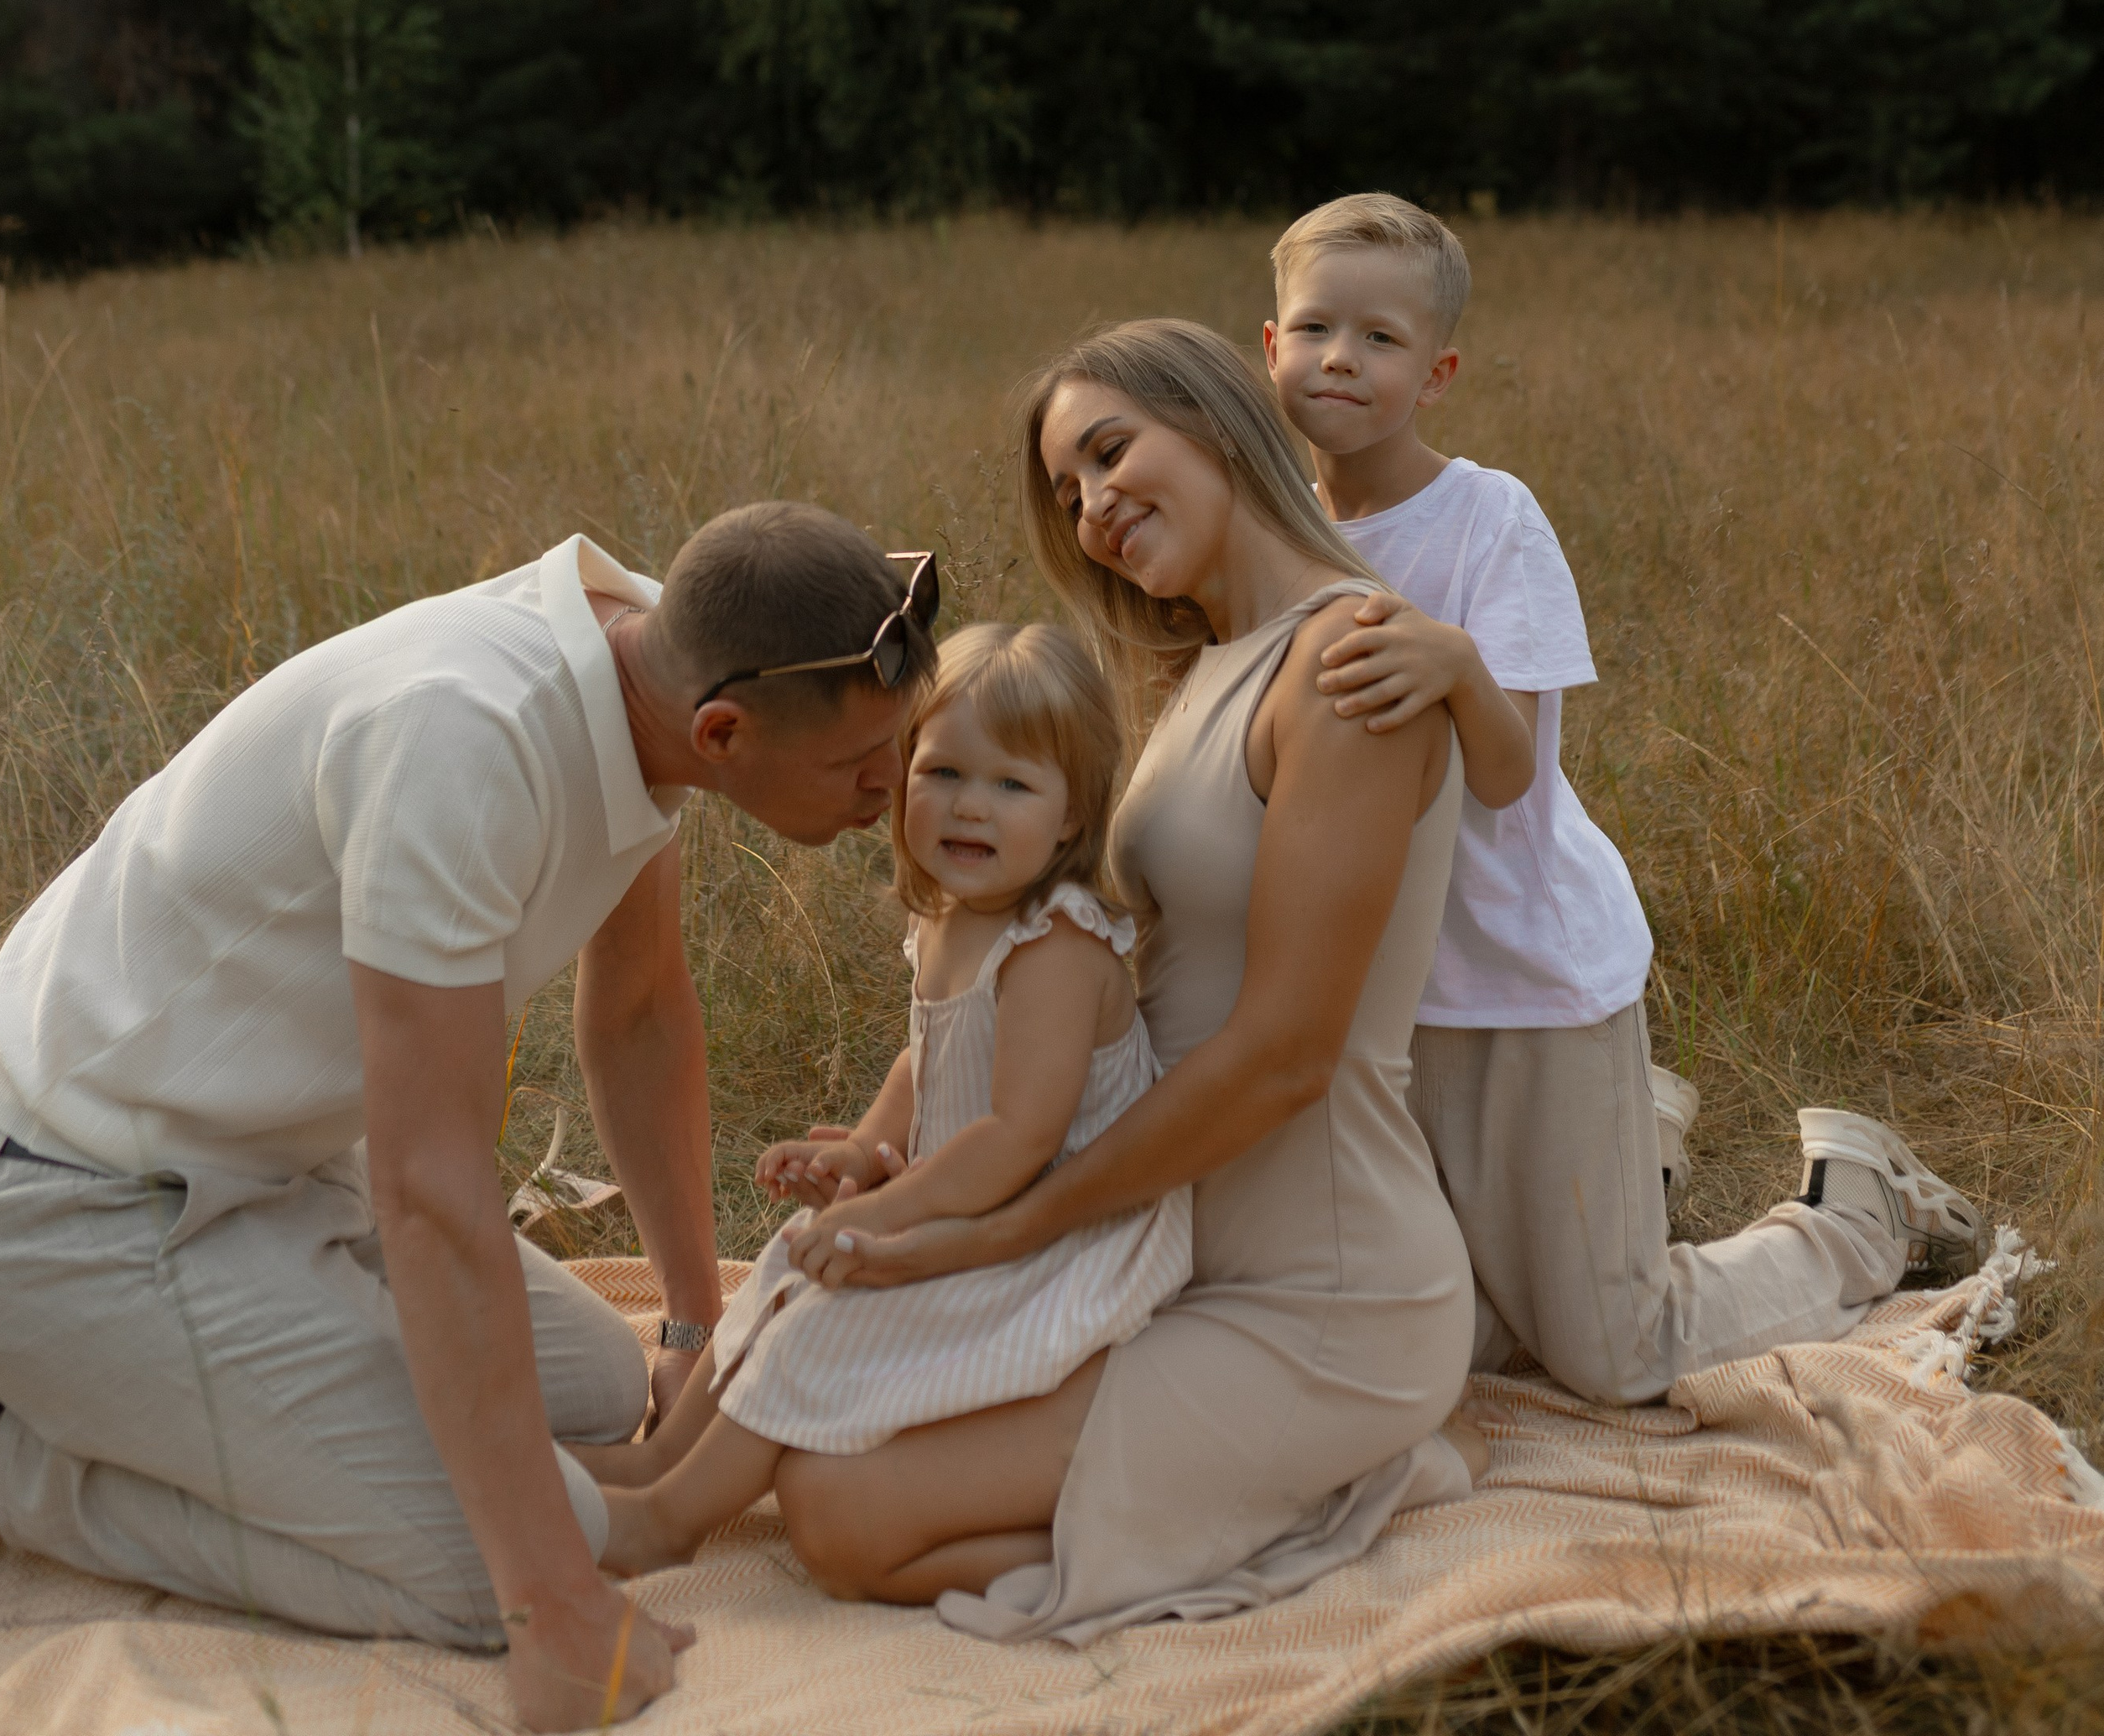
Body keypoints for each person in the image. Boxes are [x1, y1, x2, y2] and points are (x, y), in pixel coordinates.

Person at [0, 505, 937, 1733]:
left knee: (587, 1393)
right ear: (723, 732)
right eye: (866, 761)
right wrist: (550, 1606)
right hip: (66, 1198)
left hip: (268, 1167)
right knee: (517, 1562)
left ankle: (158, 1398)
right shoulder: (461, 742)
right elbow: (431, 1189)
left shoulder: (649, 659)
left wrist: (691, 1321)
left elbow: (636, 1015)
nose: (891, 783)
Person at [747, 319, 1496, 1639]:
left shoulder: (1349, 665)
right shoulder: (1207, 664)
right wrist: (903, 1154)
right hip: (1152, 1254)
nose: (1090, 508)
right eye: (1066, 489)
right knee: (809, 1443)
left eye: (1109, 453)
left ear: (1213, 422)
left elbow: (1283, 1055)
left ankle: (1348, 1475)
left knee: (840, 1520)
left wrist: (1007, 1229)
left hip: (1318, 1291)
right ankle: (1259, 1482)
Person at [1263, 189, 1982, 1405]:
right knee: (1456, 1337)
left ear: (1436, 372)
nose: (1343, 358)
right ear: (1269, 348)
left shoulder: (1490, 520)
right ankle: (1627, 1156)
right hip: (1384, 1002)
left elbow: (1506, 774)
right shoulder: (1274, 536)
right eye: (1318, 328)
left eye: (1381, 339)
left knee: (1609, 1354)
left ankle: (1859, 1209)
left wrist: (1455, 664)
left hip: (1525, 980)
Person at [584, 618, 1191, 1573]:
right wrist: (864, 1152)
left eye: (1012, 785)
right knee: (788, 1260)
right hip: (973, 1201)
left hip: (1054, 1241)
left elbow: (1016, 1136)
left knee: (827, 1319)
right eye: (942, 773)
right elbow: (924, 1065)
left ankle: (670, 1521)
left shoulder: (1056, 945)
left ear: (1072, 817)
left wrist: (888, 1214)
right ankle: (664, 1457)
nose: (970, 810)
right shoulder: (952, 916)